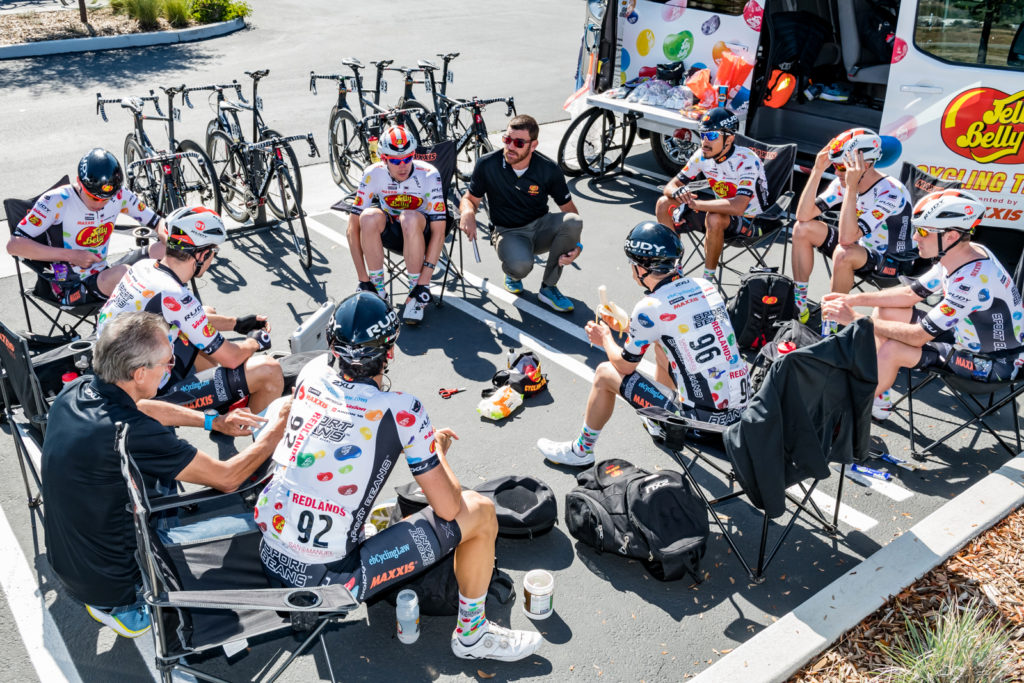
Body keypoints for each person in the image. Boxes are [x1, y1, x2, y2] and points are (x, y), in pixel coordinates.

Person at [256, 292, 542, 662]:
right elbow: (448, 506)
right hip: (331, 581)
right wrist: (436, 448)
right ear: (389, 353)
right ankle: (472, 636)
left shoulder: (310, 375)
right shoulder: (403, 410)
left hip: (270, 556)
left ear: (332, 345)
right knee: (480, 511)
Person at [42, 312, 289, 638]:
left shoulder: (77, 389)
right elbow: (228, 477)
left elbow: (143, 408)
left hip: (68, 560)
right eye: (167, 364)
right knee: (252, 518)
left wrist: (212, 422)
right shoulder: (130, 432)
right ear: (140, 373)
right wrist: (276, 428)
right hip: (116, 587)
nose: (171, 369)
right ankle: (125, 608)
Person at [536, 221, 749, 466]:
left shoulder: (650, 307)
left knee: (606, 373)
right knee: (662, 346)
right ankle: (659, 424)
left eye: (632, 265)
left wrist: (605, 338)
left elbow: (625, 367)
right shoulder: (706, 286)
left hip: (700, 423)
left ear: (642, 268)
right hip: (741, 414)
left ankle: (581, 450)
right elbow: (675, 330)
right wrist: (627, 326)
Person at [819, 190, 1024, 421]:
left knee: (892, 350)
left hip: (994, 364)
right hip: (965, 336)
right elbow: (910, 293)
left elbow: (917, 337)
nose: (915, 237)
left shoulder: (972, 282)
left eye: (924, 231)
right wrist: (853, 299)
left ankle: (845, 411)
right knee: (888, 311)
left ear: (951, 236)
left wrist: (857, 320)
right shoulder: (961, 254)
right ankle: (876, 392)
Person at [97, 206, 284, 417]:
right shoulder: (177, 295)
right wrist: (255, 341)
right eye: (214, 252)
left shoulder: (145, 267)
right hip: (144, 398)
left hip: (112, 372)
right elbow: (232, 358)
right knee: (269, 369)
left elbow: (188, 316)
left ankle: (221, 403)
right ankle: (253, 440)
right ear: (202, 254)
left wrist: (236, 323)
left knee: (205, 312)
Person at [790, 128, 914, 334]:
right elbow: (803, 215)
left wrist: (851, 188)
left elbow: (847, 238)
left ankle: (831, 323)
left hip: (893, 261)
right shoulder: (844, 181)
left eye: (841, 166)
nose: (837, 173)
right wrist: (818, 170)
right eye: (835, 165)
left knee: (843, 251)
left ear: (865, 164)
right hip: (861, 247)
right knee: (802, 229)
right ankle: (799, 306)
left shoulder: (891, 192)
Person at [459, 114, 583, 313]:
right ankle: (513, 273)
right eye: (507, 139)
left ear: (533, 145)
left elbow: (569, 210)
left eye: (518, 142)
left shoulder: (548, 168)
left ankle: (548, 288)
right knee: (521, 265)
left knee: (574, 222)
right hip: (508, 231)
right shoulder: (487, 164)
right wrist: (467, 213)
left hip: (541, 226)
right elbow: (470, 199)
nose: (510, 147)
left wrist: (577, 247)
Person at [7, 148, 166, 301]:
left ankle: (176, 311)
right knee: (124, 274)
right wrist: (72, 255)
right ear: (79, 182)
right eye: (94, 197)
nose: (100, 203)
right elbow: (14, 245)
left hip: (103, 274)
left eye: (106, 199)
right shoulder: (57, 200)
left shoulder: (119, 195)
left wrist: (168, 236)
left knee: (173, 248)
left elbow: (158, 223)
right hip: (69, 285)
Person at [346, 124, 446, 325]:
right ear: (384, 159)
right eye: (395, 161)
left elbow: (439, 229)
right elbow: (352, 228)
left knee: (408, 217)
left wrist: (424, 282)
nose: (403, 165)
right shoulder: (372, 173)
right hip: (390, 231)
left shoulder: (429, 174)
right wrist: (362, 279)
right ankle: (377, 292)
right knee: (367, 217)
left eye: (408, 158)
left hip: (419, 231)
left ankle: (415, 292)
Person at [654, 107, 768, 282]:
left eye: (712, 136)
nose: (704, 141)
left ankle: (708, 281)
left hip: (751, 220)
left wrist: (696, 205)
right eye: (702, 134)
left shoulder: (746, 160)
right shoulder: (702, 155)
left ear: (729, 138)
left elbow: (738, 206)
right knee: (664, 204)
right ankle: (675, 271)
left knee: (713, 216)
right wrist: (679, 192)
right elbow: (671, 185)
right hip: (719, 213)